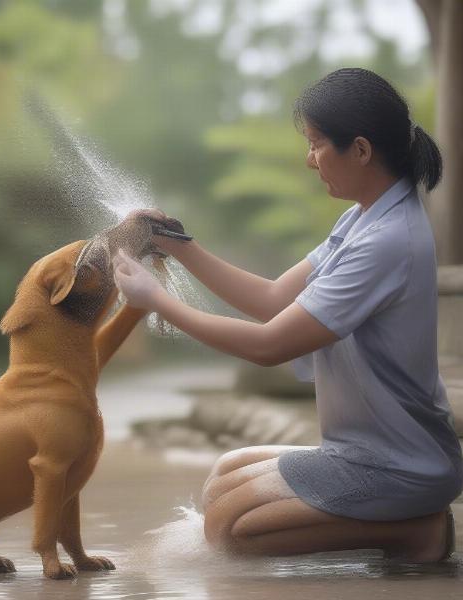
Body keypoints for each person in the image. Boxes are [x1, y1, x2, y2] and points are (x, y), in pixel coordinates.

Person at [112, 67, 463, 563]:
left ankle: (414, 533)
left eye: (317, 144)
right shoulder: (365, 216)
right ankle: (401, 521)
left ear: (360, 150)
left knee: (231, 530)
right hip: (362, 450)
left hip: (399, 464)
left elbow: (270, 344)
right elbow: (275, 298)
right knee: (222, 480)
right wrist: (176, 245)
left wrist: (157, 300)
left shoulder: (388, 241)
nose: (309, 160)